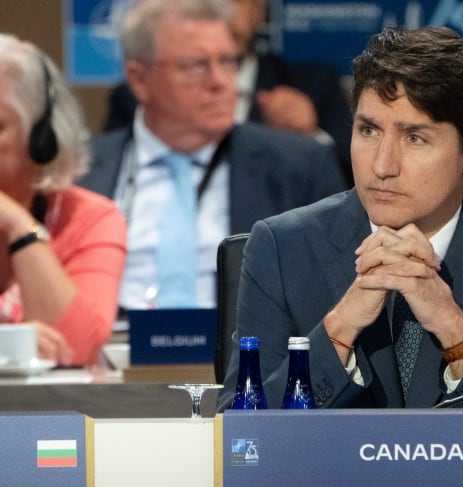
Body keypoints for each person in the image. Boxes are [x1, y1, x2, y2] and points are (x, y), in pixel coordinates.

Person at [217, 26, 463, 410]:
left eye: (414, 138)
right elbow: (243, 440)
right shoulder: (283, 247)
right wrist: (338, 331)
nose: (382, 165)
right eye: (368, 130)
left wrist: (453, 327)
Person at [78, 0, 346, 311]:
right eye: (195, 65)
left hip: (244, 354)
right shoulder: (77, 173)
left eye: (228, 61)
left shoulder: (299, 167)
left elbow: (334, 293)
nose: (220, 82)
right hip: (107, 350)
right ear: (139, 79)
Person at [104, 0, 354, 185]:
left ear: (258, 10)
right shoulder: (129, 101)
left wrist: (311, 135)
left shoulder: (312, 85)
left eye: (226, 62)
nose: (214, 6)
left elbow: (355, 194)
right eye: (194, 65)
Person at [0, 34, 127, 366]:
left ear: (42, 137)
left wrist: (18, 225)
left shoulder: (91, 218)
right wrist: (12, 344)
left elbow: (73, 350)